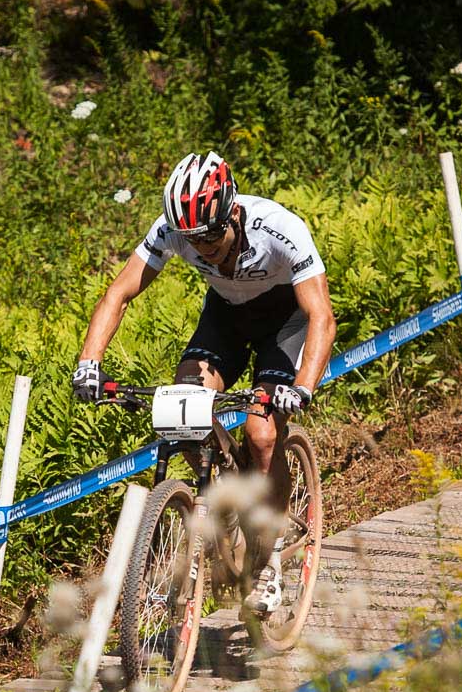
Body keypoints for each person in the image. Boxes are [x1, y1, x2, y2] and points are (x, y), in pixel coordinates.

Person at [71, 151, 335, 617]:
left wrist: (303, 386)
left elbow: (321, 316)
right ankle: (224, 501)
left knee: (261, 432)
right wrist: (89, 363)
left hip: (284, 322)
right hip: (226, 318)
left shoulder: (280, 228)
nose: (204, 248)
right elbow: (120, 292)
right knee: (183, 413)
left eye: (211, 236)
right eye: (193, 240)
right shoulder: (173, 229)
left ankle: (271, 560)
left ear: (233, 212)